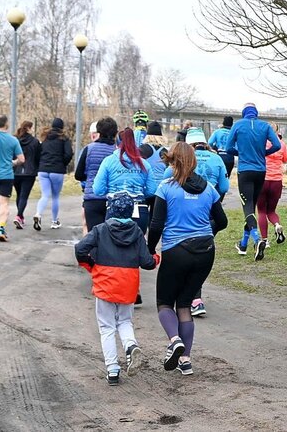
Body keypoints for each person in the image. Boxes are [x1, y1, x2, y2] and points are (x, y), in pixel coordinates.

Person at [147, 142, 228, 376]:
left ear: (172, 161)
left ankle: (175, 340)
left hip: (176, 251)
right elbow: (222, 221)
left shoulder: (166, 187)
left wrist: (150, 249)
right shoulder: (209, 189)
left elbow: (156, 224)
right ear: (193, 161)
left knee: (165, 303)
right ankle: (185, 361)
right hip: (205, 252)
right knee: (184, 304)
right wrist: (206, 232)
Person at [74, 192, 158, 385]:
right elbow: (147, 262)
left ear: (109, 210)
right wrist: (156, 259)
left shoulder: (100, 230)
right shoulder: (137, 231)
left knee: (106, 327)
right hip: (128, 283)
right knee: (125, 321)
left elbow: (80, 249)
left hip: (105, 282)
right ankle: (131, 346)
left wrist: (90, 264)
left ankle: (112, 370)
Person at [164, 127, 229, 317]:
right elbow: (224, 186)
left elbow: (165, 180)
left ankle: (192, 298)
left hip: (183, 214)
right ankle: (194, 298)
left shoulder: (180, 161)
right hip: (208, 214)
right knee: (200, 254)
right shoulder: (216, 159)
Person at [226, 103, 281, 261]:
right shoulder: (265, 126)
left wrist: (241, 153)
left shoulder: (238, 125)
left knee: (248, 207)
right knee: (251, 206)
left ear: (244, 113)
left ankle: (257, 241)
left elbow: (228, 148)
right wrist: (263, 152)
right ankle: (243, 244)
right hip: (260, 171)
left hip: (245, 171)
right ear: (256, 113)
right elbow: (277, 145)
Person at [93, 127, 157, 234]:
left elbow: (98, 189)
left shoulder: (108, 161)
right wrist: (139, 193)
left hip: (114, 208)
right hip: (139, 209)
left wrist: (111, 191)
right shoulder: (144, 163)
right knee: (137, 243)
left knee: (113, 243)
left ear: (117, 144)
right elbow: (152, 189)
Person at [75, 117, 119, 232]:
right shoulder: (117, 151)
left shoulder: (88, 149)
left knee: (94, 235)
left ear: (98, 131)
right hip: (113, 199)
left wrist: (90, 177)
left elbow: (78, 175)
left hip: (92, 199)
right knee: (112, 235)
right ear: (115, 133)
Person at [34, 118, 73, 231]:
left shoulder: (45, 138)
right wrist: (63, 163)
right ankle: (54, 221)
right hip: (57, 170)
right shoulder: (64, 139)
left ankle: (38, 214)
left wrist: (40, 164)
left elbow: (38, 153)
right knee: (55, 196)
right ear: (62, 127)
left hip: (43, 170)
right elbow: (69, 154)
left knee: (45, 195)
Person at [257, 122, 287, 247]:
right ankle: (277, 225)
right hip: (277, 181)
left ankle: (265, 240)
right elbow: (285, 159)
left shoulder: (261, 143)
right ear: (277, 131)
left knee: (261, 211)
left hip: (263, 179)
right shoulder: (282, 144)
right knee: (271, 210)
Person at [0, 115, 25, 242]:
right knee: (3, 203)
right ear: (6, 124)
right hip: (6, 176)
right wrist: (13, 163)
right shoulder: (13, 140)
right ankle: (1, 228)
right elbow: (22, 159)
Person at [12, 120, 41, 229]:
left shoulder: (15, 140)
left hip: (16, 171)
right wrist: (37, 168)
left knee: (19, 195)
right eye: (32, 128)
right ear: (28, 128)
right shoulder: (35, 142)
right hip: (29, 172)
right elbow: (38, 157)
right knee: (24, 196)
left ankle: (21, 217)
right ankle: (19, 216)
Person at [139, 120, 169, 222]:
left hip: (145, 188)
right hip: (161, 190)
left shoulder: (142, 149)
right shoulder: (165, 152)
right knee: (155, 219)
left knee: (142, 216)